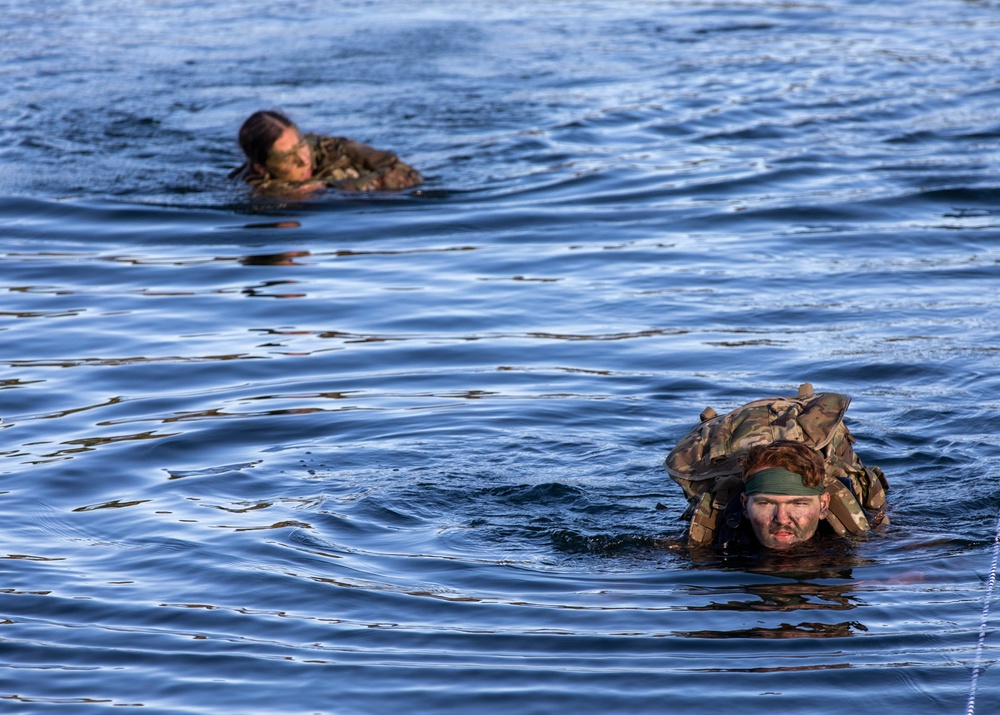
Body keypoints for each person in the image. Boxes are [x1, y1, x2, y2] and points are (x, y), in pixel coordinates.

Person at [229, 110, 423, 195]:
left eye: (301, 145)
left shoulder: (334, 149)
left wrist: (335, 188)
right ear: (262, 169)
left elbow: (408, 174)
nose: (303, 160)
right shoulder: (258, 190)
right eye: (288, 157)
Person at [718, 440, 832, 551]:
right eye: (765, 503)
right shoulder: (712, 541)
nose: (781, 519)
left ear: (823, 506)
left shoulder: (846, 538)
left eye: (799, 503)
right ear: (745, 504)